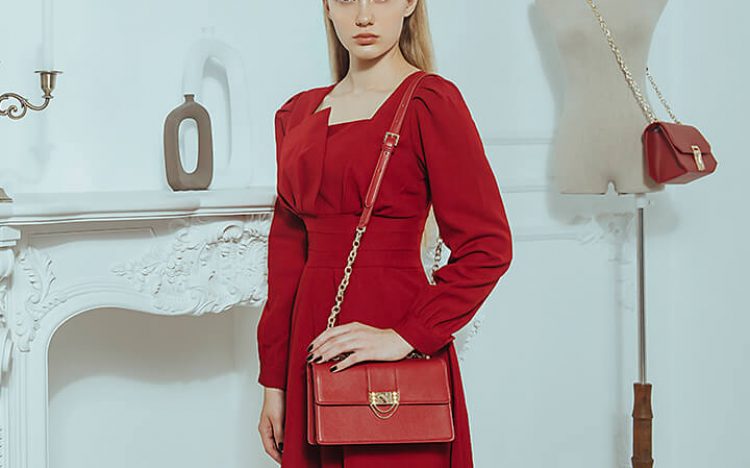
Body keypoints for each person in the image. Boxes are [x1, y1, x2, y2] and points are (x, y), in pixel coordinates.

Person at [257, 0, 513, 466]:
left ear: (410, 3)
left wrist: (404, 335)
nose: (363, 16)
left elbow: (488, 246)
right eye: (346, 0)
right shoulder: (296, 114)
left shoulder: (430, 102)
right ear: (327, 8)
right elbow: (286, 261)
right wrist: (274, 381)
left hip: (394, 336)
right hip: (308, 345)